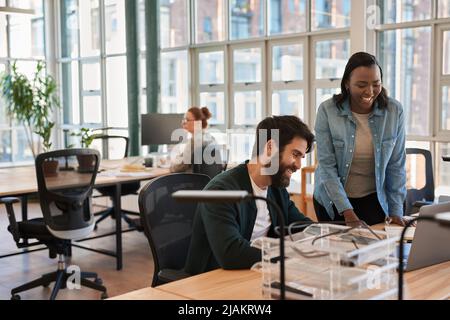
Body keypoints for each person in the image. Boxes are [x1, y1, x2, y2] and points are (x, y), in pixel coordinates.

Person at [184, 116, 314, 275]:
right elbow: (230, 253)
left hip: (255, 273)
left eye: (301, 157)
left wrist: (329, 235)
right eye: (295, 154)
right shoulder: (220, 191)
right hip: (213, 280)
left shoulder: (276, 188)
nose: (299, 165)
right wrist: (286, 254)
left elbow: (301, 226)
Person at [313, 52, 408, 227]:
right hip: (334, 201)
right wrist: (348, 213)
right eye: (361, 85)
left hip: (374, 200)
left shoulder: (394, 111)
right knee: (338, 252)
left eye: (376, 84)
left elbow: (396, 165)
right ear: (347, 84)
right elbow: (327, 167)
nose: (370, 91)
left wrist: (396, 210)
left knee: (375, 250)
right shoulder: (328, 111)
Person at [169, 106, 216, 173]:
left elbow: (181, 166)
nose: (183, 123)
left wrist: (170, 167)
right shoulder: (210, 138)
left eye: (187, 120)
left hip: (191, 181)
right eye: (184, 119)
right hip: (206, 180)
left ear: (197, 122)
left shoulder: (194, 141)